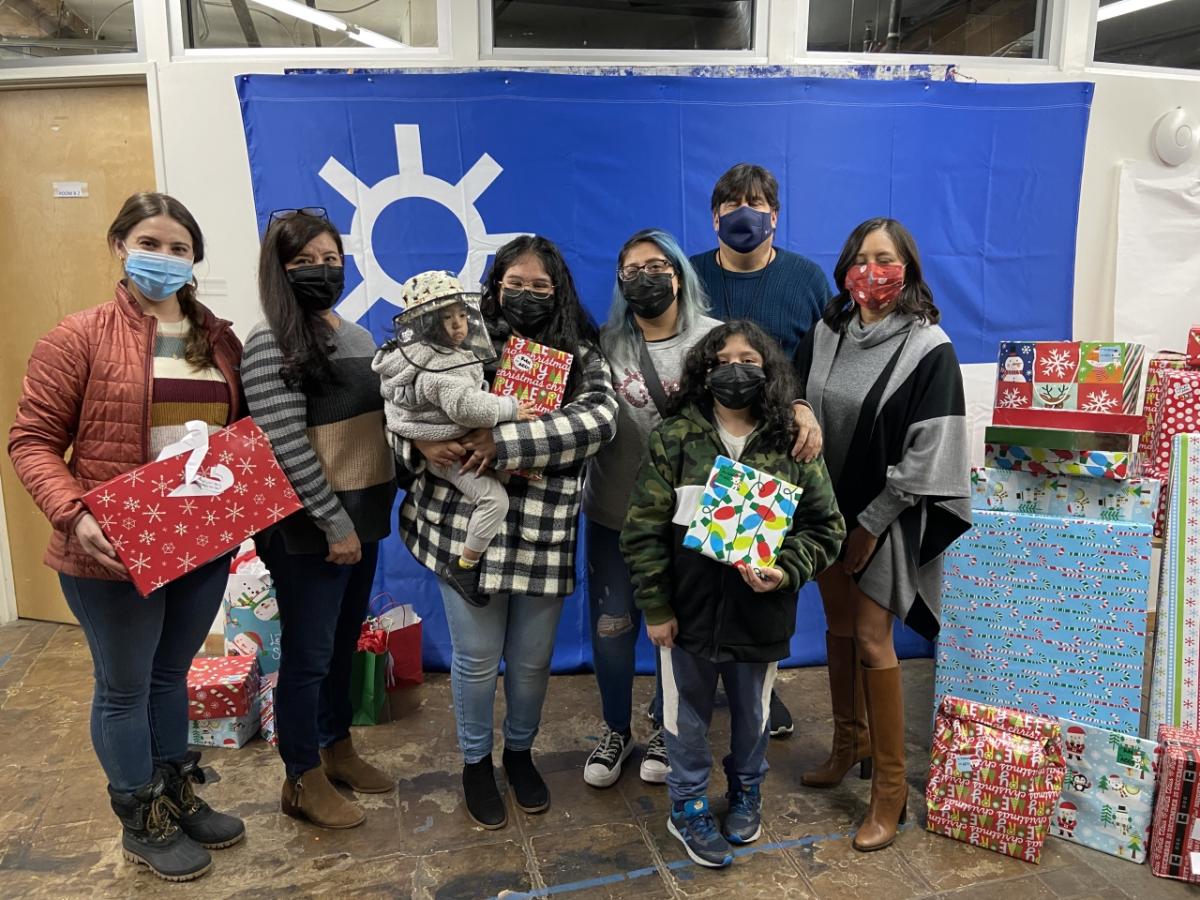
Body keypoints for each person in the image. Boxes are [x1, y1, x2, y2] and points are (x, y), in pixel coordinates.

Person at [7, 192, 245, 882]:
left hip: (199, 542)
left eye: (179, 247)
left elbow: (237, 439)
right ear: (119, 244)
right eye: (150, 242)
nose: (164, 258)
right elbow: (32, 440)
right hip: (109, 549)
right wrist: (74, 513)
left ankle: (175, 793)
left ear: (195, 256)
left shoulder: (218, 339)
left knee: (173, 675)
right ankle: (142, 820)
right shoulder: (77, 336)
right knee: (124, 688)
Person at [395, 235, 618, 830]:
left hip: (543, 531)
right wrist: (417, 438)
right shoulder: (456, 334)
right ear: (493, 284)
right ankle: (475, 763)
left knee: (530, 661)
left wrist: (505, 442)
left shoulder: (582, 353)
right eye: (513, 283)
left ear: (559, 291)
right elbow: (400, 393)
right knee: (474, 660)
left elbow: (600, 421)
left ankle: (519, 753)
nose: (524, 295)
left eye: (539, 286)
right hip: (461, 524)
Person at [620, 320, 845, 868]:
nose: (735, 369)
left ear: (769, 371)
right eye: (722, 359)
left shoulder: (792, 443)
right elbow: (642, 529)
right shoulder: (675, 437)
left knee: (752, 714)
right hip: (687, 616)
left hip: (761, 615)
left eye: (749, 359)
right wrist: (655, 605)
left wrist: (785, 569)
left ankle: (747, 791)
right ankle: (688, 805)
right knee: (684, 720)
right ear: (703, 370)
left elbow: (826, 528)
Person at [793, 217, 971, 851]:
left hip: (885, 518)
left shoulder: (929, 347)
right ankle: (851, 743)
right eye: (861, 257)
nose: (873, 270)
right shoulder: (827, 331)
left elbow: (932, 451)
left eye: (886, 258)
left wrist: (870, 524)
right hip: (826, 511)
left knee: (873, 639)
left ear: (908, 269)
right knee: (837, 628)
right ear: (846, 267)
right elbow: (800, 401)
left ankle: (889, 789)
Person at [242, 208, 398, 830]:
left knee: (338, 647)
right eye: (303, 262)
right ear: (278, 270)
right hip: (310, 533)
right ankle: (300, 777)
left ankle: (338, 749)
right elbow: (286, 444)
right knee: (307, 658)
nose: (321, 271)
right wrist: (332, 524)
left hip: (362, 525)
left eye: (331, 260)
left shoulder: (357, 335)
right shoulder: (269, 342)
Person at [690, 163, 833, 738]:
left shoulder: (806, 279)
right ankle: (679, 693)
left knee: (754, 572)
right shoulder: (690, 275)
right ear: (714, 214)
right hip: (702, 444)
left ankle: (759, 694)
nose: (742, 212)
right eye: (730, 203)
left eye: (755, 202)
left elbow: (822, 361)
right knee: (694, 576)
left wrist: (802, 406)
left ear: (774, 215)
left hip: (772, 450)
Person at [581, 229, 721, 789]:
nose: (646, 277)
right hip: (613, 516)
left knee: (678, 633)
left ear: (680, 273)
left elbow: (756, 409)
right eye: (632, 268)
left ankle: (666, 725)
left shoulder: (716, 341)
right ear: (619, 280)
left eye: (657, 265)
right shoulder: (602, 347)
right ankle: (617, 728)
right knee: (612, 633)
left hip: (688, 520)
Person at [373, 271, 537, 607]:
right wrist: (511, 407)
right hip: (447, 446)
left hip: (440, 437)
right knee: (495, 500)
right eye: (446, 318)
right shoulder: (442, 367)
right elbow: (466, 408)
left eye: (462, 314)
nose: (459, 325)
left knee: (504, 471)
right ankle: (464, 566)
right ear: (425, 324)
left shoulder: (418, 355)